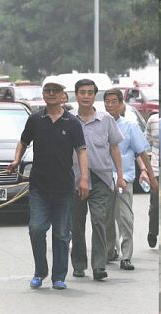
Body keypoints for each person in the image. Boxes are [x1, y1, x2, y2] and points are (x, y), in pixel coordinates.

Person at [7, 79, 89, 290]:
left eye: (55, 91)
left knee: (62, 234)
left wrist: (84, 179)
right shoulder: (35, 120)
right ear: (43, 95)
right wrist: (17, 159)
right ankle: (40, 271)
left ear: (63, 96)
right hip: (39, 187)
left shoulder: (72, 123)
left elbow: (81, 150)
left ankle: (59, 276)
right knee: (36, 229)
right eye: (47, 90)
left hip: (64, 188)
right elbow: (23, 142)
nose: (51, 93)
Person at [70, 79, 125, 281]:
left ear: (95, 95)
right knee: (76, 223)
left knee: (99, 220)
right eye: (82, 92)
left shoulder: (106, 120)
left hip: (101, 178)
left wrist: (120, 176)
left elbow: (114, 148)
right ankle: (78, 263)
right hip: (75, 179)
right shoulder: (69, 120)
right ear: (76, 95)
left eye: (90, 92)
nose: (86, 96)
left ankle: (99, 264)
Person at [103, 89, 158, 270]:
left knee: (125, 218)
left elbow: (141, 152)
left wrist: (151, 176)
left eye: (114, 102)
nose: (110, 105)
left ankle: (126, 256)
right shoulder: (99, 125)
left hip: (124, 179)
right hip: (103, 180)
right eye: (107, 102)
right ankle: (110, 250)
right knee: (106, 219)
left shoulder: (130, 126)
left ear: (121, 104)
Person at [145, 113, 159, 247]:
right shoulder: (153, 120)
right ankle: (153, 231)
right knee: (155, 205)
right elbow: (146, 142)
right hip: (156, 170)